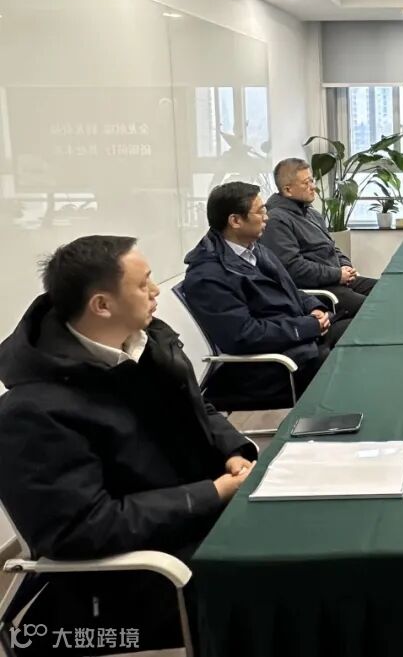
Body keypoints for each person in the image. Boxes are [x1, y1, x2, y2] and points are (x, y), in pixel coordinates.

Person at [0, 236, 257, 654]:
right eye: (143, 284)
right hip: (135, 575)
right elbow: (83, 529)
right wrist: (211, 493)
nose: (156, 291)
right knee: (285, 587)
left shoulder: (147, 342)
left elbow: (199, 408)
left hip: (198, 518)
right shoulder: (34, 411)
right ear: (102, 305)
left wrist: (233, 451)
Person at [183, 182, 347, 410]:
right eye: (260, 212)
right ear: (235, 220)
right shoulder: (208, 276)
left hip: (298, 342)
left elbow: (290, 290)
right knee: (348, 367)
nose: (267, 217)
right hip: (269, 368)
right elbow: (245, 335)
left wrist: (314, 308)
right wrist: (306, 326)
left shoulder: (255, 249)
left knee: (358, 334)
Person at [262, 158, 378, 319]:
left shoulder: (312, 214)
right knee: (376, 310)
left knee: (388, 291)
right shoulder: (276, 220)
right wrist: (337, 274)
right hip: (319, 290)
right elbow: (293, 269)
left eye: (312, 180)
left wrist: (345, 266)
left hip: (337, 279)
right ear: (288, 190)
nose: (313, 187)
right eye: (306, 183)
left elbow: (332, 247)